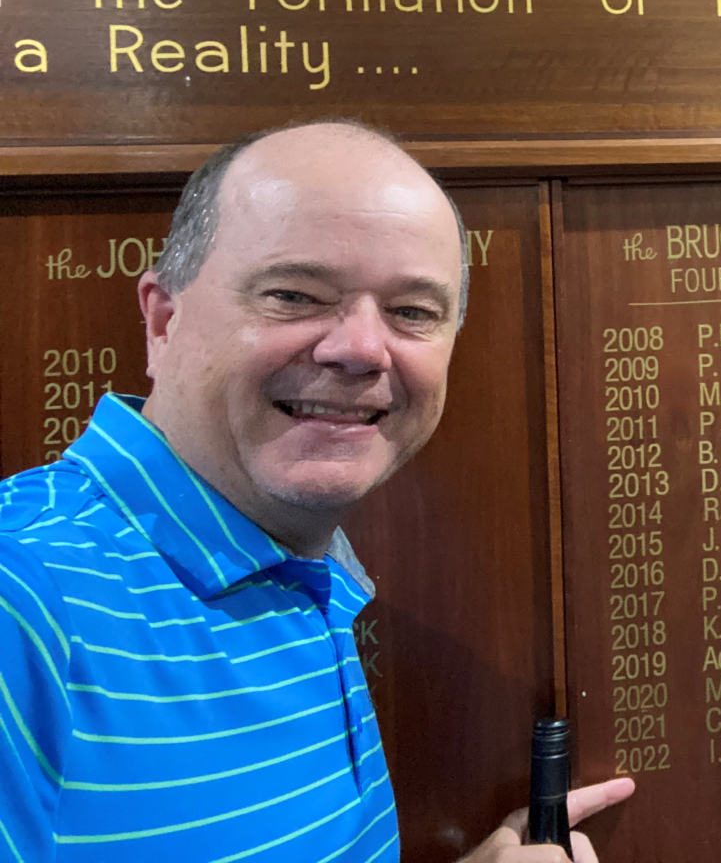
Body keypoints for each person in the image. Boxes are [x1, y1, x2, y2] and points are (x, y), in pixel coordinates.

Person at [0, 121, 632, 861]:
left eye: (413, 313)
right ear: (163, 322)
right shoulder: (24, 594)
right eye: (295, 294)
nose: (362, 349)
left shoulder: (303, 569)